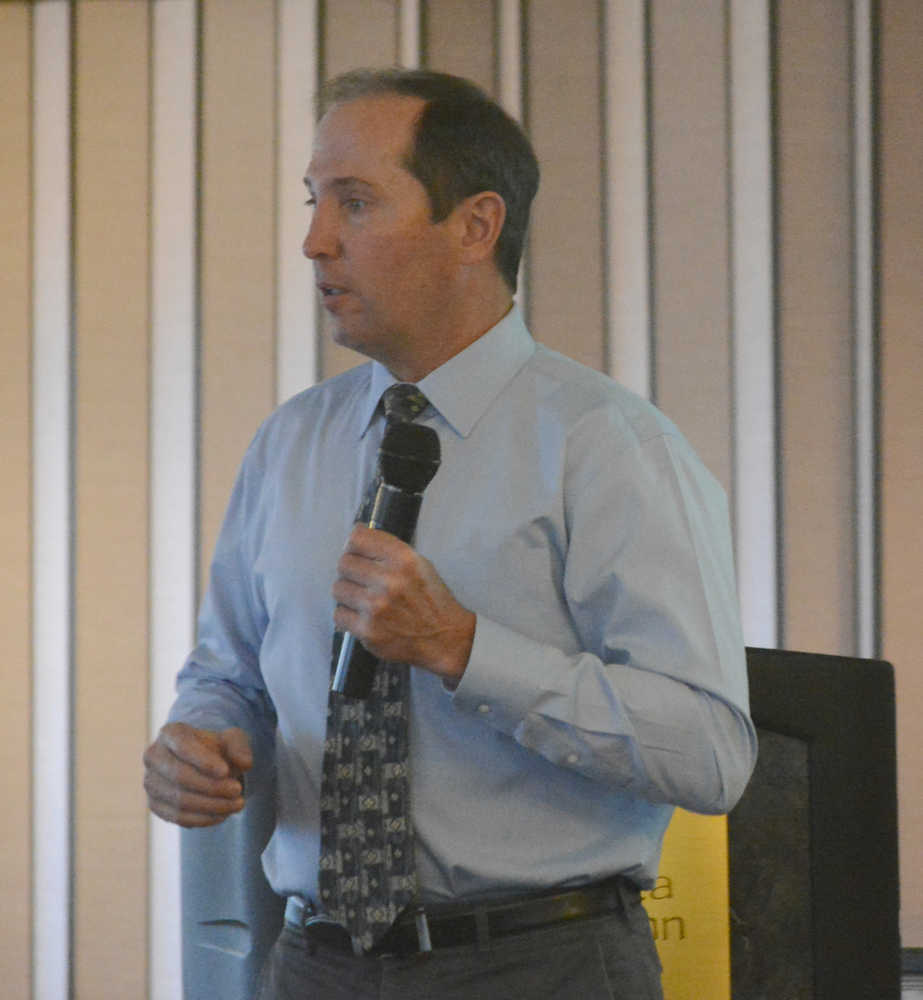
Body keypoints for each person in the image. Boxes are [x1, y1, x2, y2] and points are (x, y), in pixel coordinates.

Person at [144, 68, 757, 999]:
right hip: (312, 962)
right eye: (315, 203)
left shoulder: (606, 446)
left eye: (355, 203)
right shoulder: (291, 444)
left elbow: (711, 753)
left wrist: (467, 649)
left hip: (540, 963)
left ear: (475, 226)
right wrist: (201, 742)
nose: (314, 242)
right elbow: (228, 675)